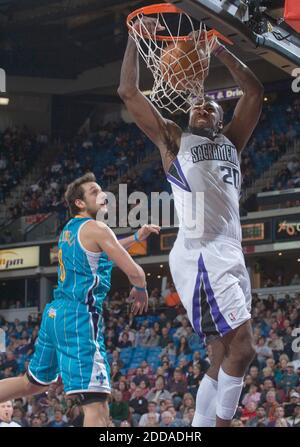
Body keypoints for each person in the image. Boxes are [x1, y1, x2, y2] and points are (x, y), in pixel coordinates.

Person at [118, 15, 263, 427]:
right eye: (198, 103)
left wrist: (218, 48)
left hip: (229, 251)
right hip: (201, 252)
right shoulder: (173, 140)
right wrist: (134, 40)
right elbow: (127, 91)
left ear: (220, 118)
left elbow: (253, 90)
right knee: (244, 348)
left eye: (211, 105)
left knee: (222, 353)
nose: (202, 105)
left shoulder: (232, 142)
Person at [0, 172, 160, 427]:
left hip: (55, 314)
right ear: (80, 203)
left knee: (31, 384)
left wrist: (137, 238)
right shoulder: (97, 228)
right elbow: (135, 272)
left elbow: (105, 250)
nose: (102, 194)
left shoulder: (69, 230)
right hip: (78, 317)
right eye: (95, 191)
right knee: (97, 406)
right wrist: (140, 288)